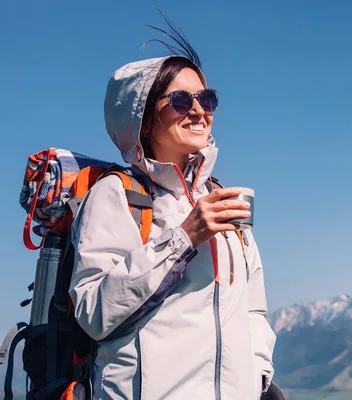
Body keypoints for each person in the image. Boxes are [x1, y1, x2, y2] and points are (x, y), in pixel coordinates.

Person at [67, 22, 277, 400]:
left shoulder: (220, 199)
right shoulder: (118, 194)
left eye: (207, 99)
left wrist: (257, 376)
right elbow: (94, 312)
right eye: (181, 100)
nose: (199, 111)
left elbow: (253, 311)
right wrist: (184, 236)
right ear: (143, 119)